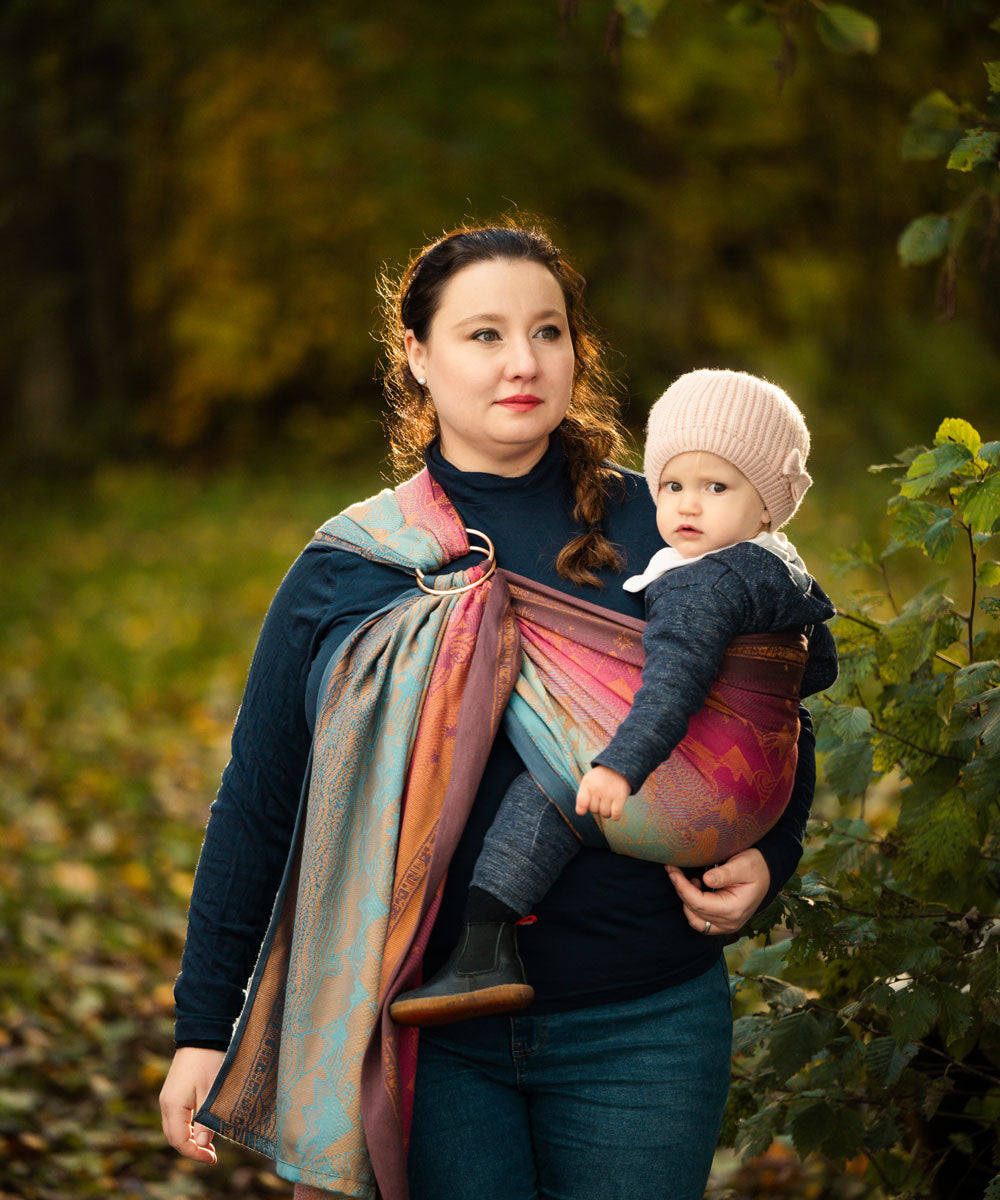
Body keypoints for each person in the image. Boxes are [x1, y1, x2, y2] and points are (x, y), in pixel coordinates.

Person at [159, 223, 823, 1200]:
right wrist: (202, 1030)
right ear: (417, 358)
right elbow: (258, 808)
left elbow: (776, 710)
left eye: (547, 332)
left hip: (642, 1019)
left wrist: (771, 856)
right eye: (484, 335)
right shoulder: (352, 569)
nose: (523, 361)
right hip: (425, 1033)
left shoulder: (678, 522)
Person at [389, 368, 837, 1028]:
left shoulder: (702, 584)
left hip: (694, 794)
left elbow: (673, 684)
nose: (687, 507)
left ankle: (484, 946)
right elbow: (814, 671)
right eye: (674, 485)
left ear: (767, 502)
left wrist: (617, 765)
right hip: (762, 792)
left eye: (717, 487)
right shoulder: (782, 570)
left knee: (547, 789)